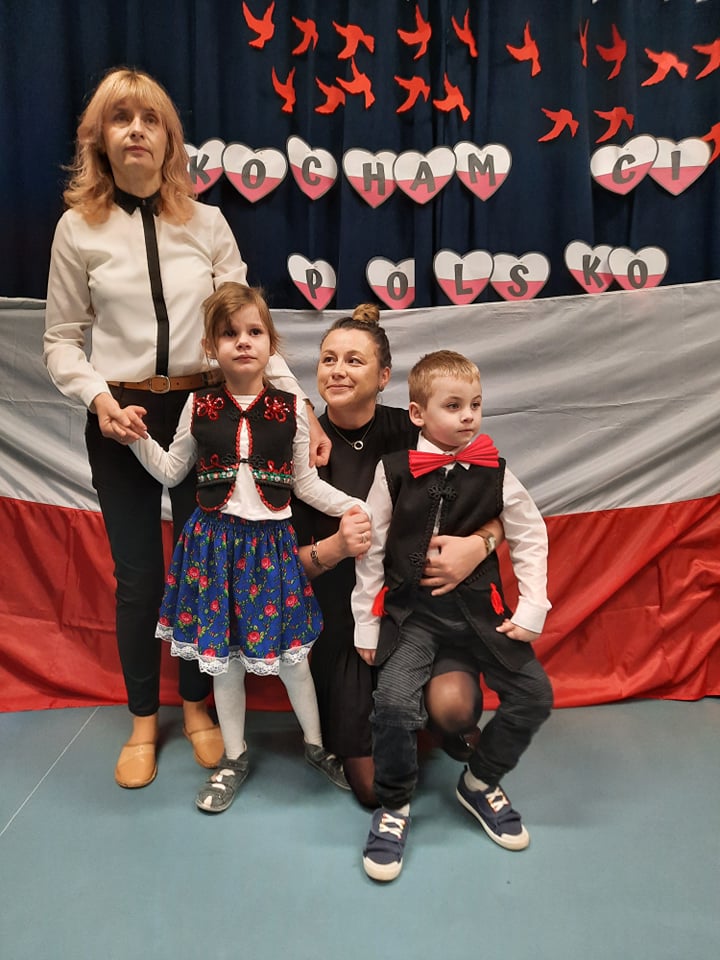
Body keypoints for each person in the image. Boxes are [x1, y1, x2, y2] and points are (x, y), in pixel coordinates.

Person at [43, 67, 329, 789]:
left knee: (208, 571)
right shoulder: (78, 229)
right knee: (139, 576)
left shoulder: (207, 224)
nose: (136, 130)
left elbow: (247, 329)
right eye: (121, 119)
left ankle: (198, 707)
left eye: (151, 119)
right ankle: (145, 718)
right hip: (123, 419)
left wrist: (301, 407)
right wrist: (98, 398)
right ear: (100, 139)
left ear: (170, 139)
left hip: (207, 415)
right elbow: (61, 341)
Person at [130, 282, 368, 811]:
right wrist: (135, 437)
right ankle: (234, 756)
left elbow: (305, 484)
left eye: (254, 331)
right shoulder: (198, 404)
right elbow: (171, 470)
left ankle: (316, 746)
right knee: (226, 662)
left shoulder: (292, 407)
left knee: (294, 663)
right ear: (211, 347)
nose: (243, 341)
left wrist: (356, 505)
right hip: (213, 550)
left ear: (271, 344)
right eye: (229, 333)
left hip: (272, 551)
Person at [352, 350, 553, 882]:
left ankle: (480, 782)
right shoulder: (393, 471)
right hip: (414, 617)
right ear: (418, 414)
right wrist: (366, 622)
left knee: (535, 695)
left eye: (476, 405)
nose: (468, 416)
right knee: (393, 702)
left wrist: (532, 606)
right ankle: (394, 805)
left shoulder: (496, 471)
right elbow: (372, 551)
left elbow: (530, 534)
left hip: (483, 616)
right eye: (454, 405)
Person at [291, 306, 504, 807]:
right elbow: (281, 564)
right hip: (348, 627)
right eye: (328, 359)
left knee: (455, 709)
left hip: (421, 612)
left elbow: (498, 507)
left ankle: (435, 718)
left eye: (354, 360)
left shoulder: (417, 430)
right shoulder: (303, 448)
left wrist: (478, 545)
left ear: (384, 376)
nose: (338, 370)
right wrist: (335, 548)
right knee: (373, 791)